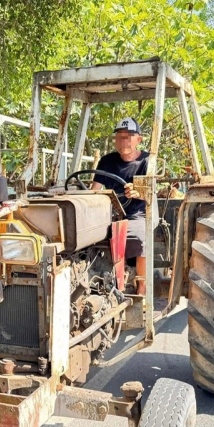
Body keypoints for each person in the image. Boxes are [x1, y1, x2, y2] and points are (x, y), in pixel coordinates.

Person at [90, 117, 149, 295]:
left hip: (138, 213)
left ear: (138, 139)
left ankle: (141, 288)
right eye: (119, 136)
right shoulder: (107, 161)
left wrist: (139, 192)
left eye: (128, 136)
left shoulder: (147, 161)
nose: (123, 140)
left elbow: (151, 191)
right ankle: (103, 282)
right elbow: (95, 190)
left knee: (138, 236)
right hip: (112, 213)